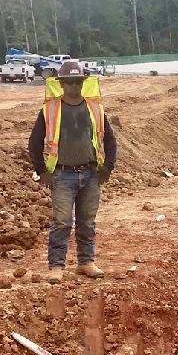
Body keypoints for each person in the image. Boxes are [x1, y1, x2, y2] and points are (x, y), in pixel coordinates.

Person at [27, 59, 117, 283]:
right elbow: (34, 143)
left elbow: (111, 140)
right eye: (69, 82)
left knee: (87, 221)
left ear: (83, 83)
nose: (74, 86)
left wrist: (108, 167)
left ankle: (86, 262)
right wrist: (41, 171)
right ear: (62, 84)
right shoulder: (50, 110)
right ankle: (56, 266)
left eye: (77, 82)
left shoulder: (95, 109)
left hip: (90, 174)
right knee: (62, 222)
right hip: (62, 174)